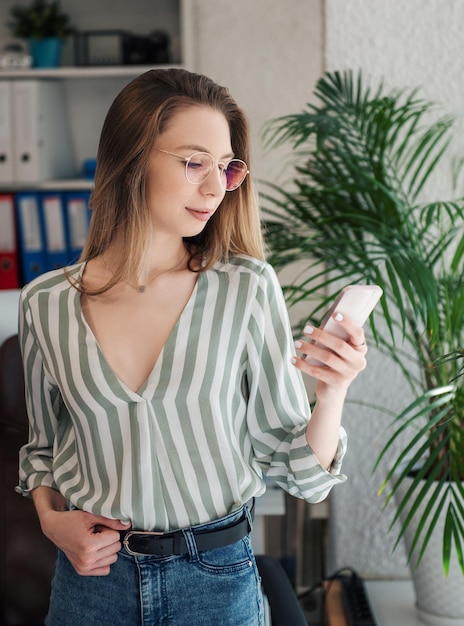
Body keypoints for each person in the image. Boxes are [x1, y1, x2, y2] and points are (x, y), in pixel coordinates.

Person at [16, 68, 369, 626]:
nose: (215, 187)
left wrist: (332, 395)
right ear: (132, 158)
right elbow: (44, 450)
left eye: (226, 167)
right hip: (91, 587)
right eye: (193, 161)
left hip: (216, 584)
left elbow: (299, 474)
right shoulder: (45, 304)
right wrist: (50, 520)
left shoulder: (246, 288)